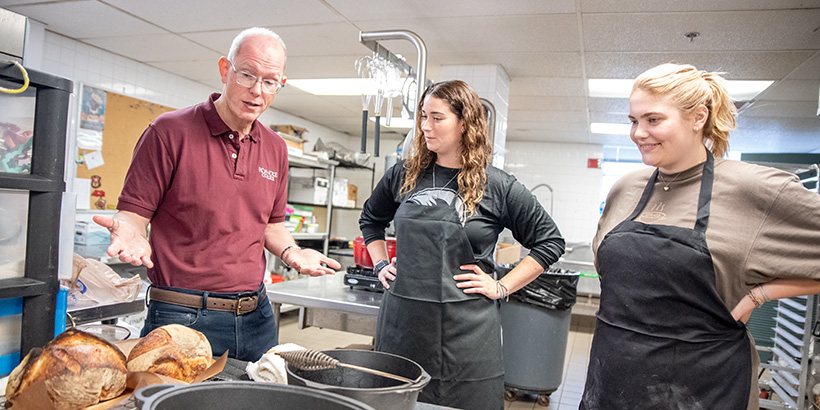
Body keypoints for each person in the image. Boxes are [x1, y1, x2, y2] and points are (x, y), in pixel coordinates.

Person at [580, 63, 820, 410]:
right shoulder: (626, 188)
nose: (638, 133)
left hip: (704, 390)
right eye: (633, 121)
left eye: (653, 119)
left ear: (698, 118)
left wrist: (761, 294)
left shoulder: (751, 190)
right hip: (612, 382)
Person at [92, 27, 340, 362]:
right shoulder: (169, 132)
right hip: (183, 315)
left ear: (280, 86)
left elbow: (270, 225)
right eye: (247, 75)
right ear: (225, 69)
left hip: (257, 316)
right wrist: (131, 232)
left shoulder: (276, 148)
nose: (257, 91)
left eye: (270, 81)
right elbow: (135, 215)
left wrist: (293, 252)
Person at [359, 80, 565, 409]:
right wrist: (381, 262)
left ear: (464, 123)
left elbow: (549, 242)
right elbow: (370, 219)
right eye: (423, 116)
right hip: (403, 324)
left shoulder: (497, 185)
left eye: (437, 118)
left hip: (466, 332)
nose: (425, 126)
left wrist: (501, 287)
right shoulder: (404, 175)